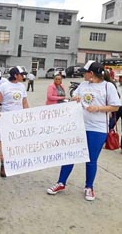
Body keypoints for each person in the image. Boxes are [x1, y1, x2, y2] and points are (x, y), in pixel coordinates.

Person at [47, 60, 120, 201]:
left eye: (85, 73)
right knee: (70, 154)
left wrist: (98, 108)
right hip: (79, 125)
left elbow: (115, 106)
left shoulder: (108, 86)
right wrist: (75, 98)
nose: (83, 75)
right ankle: (61, 182)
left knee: (91, 159)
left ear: (91, 73)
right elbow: (75, 96)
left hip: (97, 128)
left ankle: (89, 187)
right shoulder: (83, 84)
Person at [0, 66, 29, 177]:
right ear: (15, 75)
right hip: (6, 118)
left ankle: (13, 163)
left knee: (15, 141)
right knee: (3, 142)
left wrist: (28, 115)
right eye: (22, 74)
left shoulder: (21, 86)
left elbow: (24, 102)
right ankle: (3, 164)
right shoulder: (4, 86)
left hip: (18, 119)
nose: (23, 76)